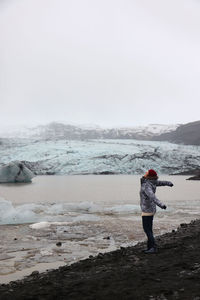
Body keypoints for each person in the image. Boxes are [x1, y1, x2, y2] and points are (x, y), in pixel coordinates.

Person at [140, 169, 173, 254]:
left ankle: (153, 247)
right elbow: (161, 182)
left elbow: (152, 196)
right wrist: (169, 183)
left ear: (149, 176)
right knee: (149, 229)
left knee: (147, 229)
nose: (145, 173)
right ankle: (149, 247)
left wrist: (161, 205)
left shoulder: (147, 185)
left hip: (147, 209)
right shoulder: (152, 182)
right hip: (150, 208)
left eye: (147, 173)